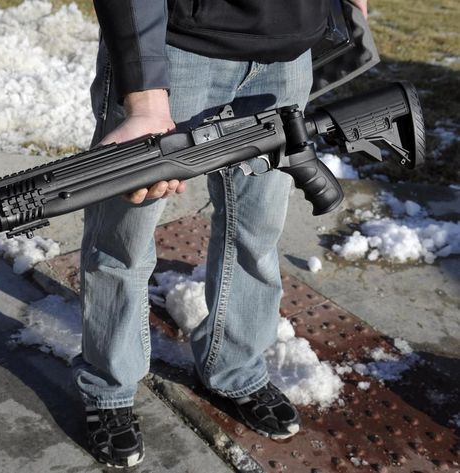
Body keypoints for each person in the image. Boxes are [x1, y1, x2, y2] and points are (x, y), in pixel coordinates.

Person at [73, 0, 368, 468]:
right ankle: (111, 386)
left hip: (288, 57)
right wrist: (146, 98)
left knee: (256, 231)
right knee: (124, 237)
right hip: (175, 50)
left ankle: (237, 370)